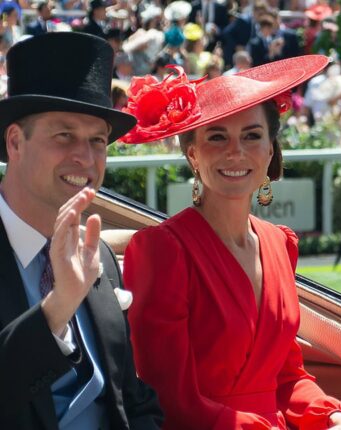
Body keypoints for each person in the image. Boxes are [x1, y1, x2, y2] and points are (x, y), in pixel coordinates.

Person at [118, 57, 341, 430]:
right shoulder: (162, 250)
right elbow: (168, 397)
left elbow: (286, 377)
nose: (235, 152)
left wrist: (332, 416)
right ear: (193, 154)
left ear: (270, 151)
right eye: (217, 136)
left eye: (252, 136)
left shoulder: (280, 244)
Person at [0, 32, 162, 429]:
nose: (86, 159)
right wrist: (57, 309)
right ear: (15, 142)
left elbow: (132, 400)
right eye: (64, 136)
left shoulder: (98, 256)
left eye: (98, 141)